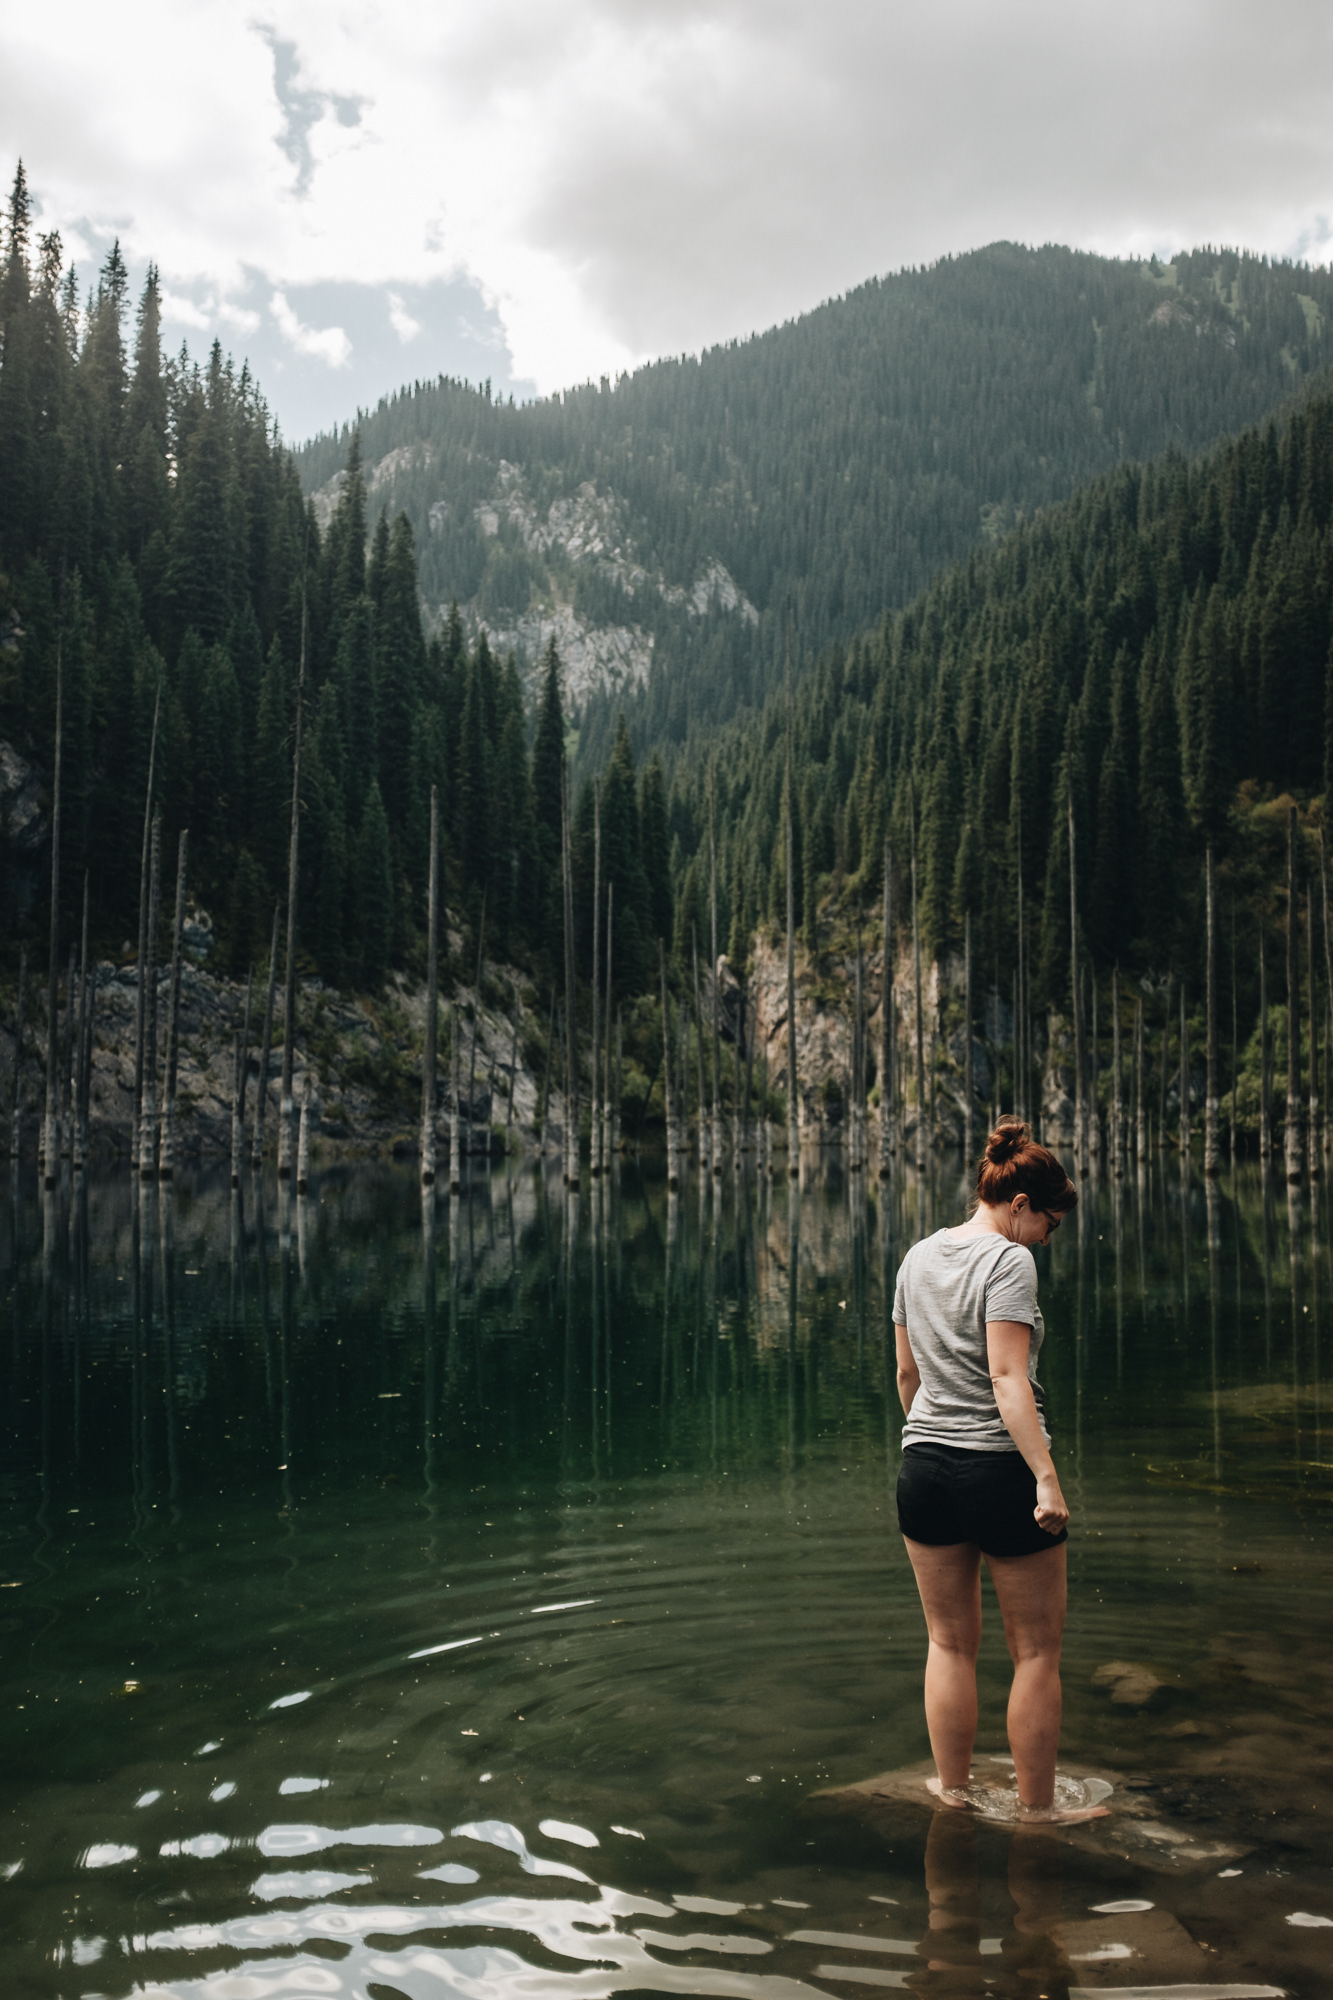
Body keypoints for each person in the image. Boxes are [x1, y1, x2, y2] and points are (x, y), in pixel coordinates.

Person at [893, 1119, 1104, 1822]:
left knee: (947, 1643)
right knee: (1036, 1653)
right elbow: (1008, 1379)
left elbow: (905, 1375)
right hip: (999, 1472)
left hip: (922, 1468)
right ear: (1018, 1204)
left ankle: (951, 1794)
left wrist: (931, 1432)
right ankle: (1038, 1814)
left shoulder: (916, 1257)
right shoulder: (1008, 1261)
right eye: (1048, 1220)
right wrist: (1044, 1477)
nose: (1048, 1236)